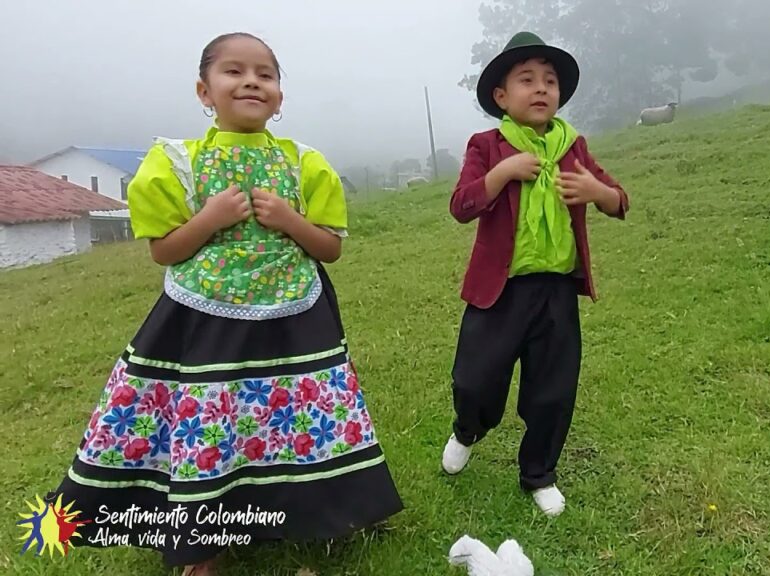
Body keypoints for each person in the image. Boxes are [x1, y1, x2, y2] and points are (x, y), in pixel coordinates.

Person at [53, 32, 403, 575]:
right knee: (211, 420)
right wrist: (210, 217)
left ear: (280, 97)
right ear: (204, 90)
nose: (251, 82)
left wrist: (289, 219)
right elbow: (164, 251)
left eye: (265, 74)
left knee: (309, 411)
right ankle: (202, 547)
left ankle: (341, 508)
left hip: (296, 314)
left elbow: (329, 248)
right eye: (234, 71)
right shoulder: (177, 163)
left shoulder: (304, 164)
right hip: (203, 319)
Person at [442, 32, 630, 517]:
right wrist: (503, 173)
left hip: (556, 291)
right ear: (501, 97)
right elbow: (462, 206)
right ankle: (468, 428)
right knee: (475, 379)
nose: (541, 88)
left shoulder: (574, 147)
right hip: (498, 292)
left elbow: (619, 201)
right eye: (526, 80)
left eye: (549, 80)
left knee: (553, 387)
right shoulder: (486, 145)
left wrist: (595, 190)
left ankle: (539, 474)